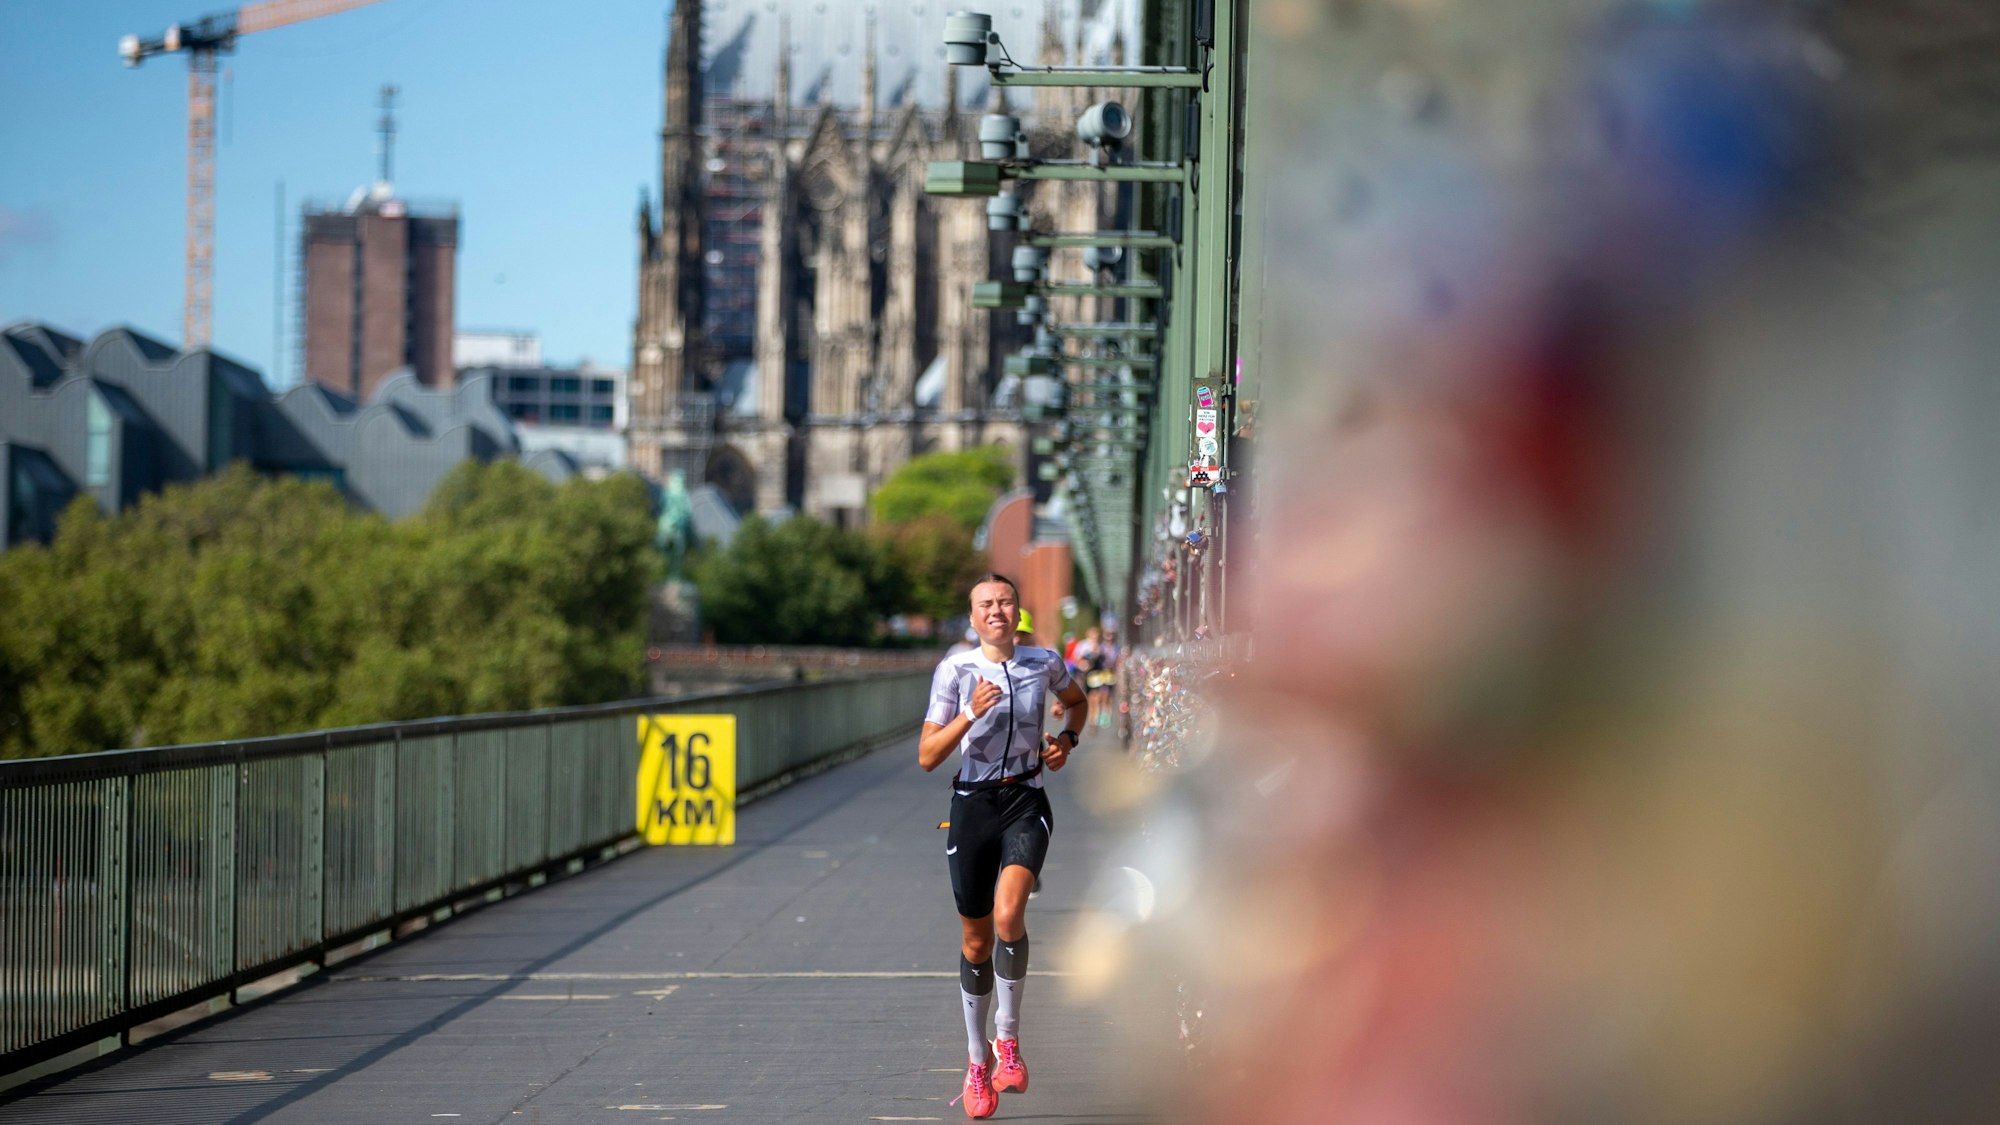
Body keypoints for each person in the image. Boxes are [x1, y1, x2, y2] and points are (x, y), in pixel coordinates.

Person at [919, 574, 1088, 1119]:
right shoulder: (956, 670)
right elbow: (927, 755)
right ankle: (977, 1061)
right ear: (972, 618)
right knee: (976, 942)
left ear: (1018, 612)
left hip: (1025, 801)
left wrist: (1066, 742)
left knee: (1009, 914)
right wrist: (970, 712)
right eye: (985, 604)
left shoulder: (1044, 662)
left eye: (1005, 602)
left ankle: (1007, 1041)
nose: (997, 610)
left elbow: (1076, 703)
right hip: (972, 807)